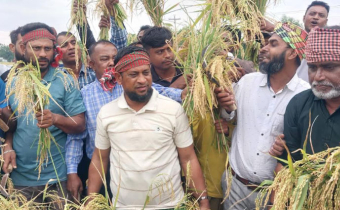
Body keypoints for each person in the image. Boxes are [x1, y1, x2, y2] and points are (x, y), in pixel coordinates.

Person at [87, 45, 210, 209]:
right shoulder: (107, 113)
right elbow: (99, 159)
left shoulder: (173, 110)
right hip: (123, 206)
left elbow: (188, 158)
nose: (142, 80)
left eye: (146, 72)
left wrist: (203, 200)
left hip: (170, 205)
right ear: (118, 77)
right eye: (133, 74)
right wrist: (90, 200)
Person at [65, 41, 186, 200]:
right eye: (104, 59)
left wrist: (185, 94)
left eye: (114, 58)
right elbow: (76, 137)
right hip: (100, 169)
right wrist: (72, 172)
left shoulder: (131, 84)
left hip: (136, 169)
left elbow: (163, 92)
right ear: (91, 64)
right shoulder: (84, 95)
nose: (111, 62)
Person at [216, 22, 310, 210]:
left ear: (292, 53)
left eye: (273, 44)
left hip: (276, 194)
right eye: (265, 44)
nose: (264, 48)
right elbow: (229, 116)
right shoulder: (247, 82)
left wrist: (290, 147)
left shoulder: (306, 95)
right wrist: (226, 107)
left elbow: (309, 145)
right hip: (236, 187)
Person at [1, 22, 86, 209]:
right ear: (23, 48)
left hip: (58, 177)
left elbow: (80, 124)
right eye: (36, 48)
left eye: (48, 49)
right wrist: (7, 145)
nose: (42, 54)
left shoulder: (64, 81)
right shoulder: (13, 82)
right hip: (21, 177)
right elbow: (13, 124)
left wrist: (55, 119)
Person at [276, 25, 340, 175]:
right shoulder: (298, 104)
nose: (318, 77)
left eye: (329, 67)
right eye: (312, 68)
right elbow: (287, 165)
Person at [297, 1, 330, 82]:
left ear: (326, 21)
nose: (316, 17)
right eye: (312, 14)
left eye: (321, 15)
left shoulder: (328, 43)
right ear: (304, 18)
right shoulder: (287, 38)